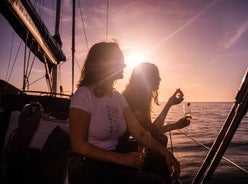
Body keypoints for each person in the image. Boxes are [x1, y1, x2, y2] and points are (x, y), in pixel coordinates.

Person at [68, 41, 180, 184]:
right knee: (154, 182)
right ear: (104, 63)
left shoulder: (118, 98)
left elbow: (139, 132)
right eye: (119, 60)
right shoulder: (84, 95)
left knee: (158, 159)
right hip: (88, 166)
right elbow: (77, 145)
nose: (125, 64)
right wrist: (122, 159)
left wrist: (166, 153)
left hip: (113, 156)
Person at [118, 62, 190, 183]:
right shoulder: (133, 98)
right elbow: (150, 131)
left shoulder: (141, 96)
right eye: (156, 76)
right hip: (118, 147)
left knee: (161, 138)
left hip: (123, 144)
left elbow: (150, 129)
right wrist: (175, 126)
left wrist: (169, 103)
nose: (160, 79)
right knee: (159, 146)